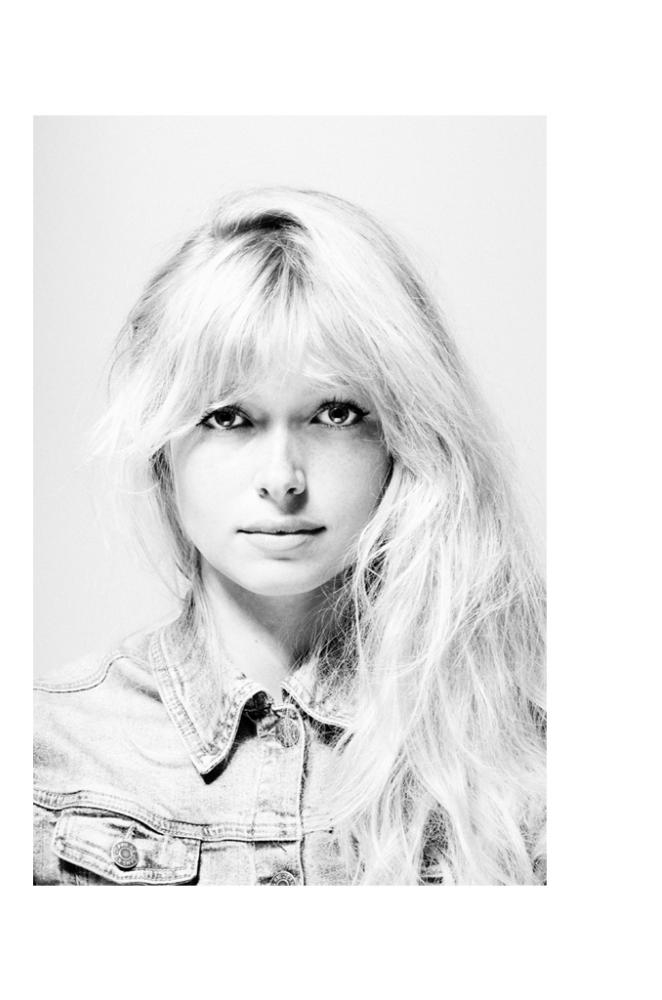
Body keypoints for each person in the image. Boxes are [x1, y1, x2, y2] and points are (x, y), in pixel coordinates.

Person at [33, 187, 546, 885]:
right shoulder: (46, 754)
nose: (282, 479)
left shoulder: (518, 761)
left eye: (335, 414)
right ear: (161, 447)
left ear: (405, 437)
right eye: (227, 417)